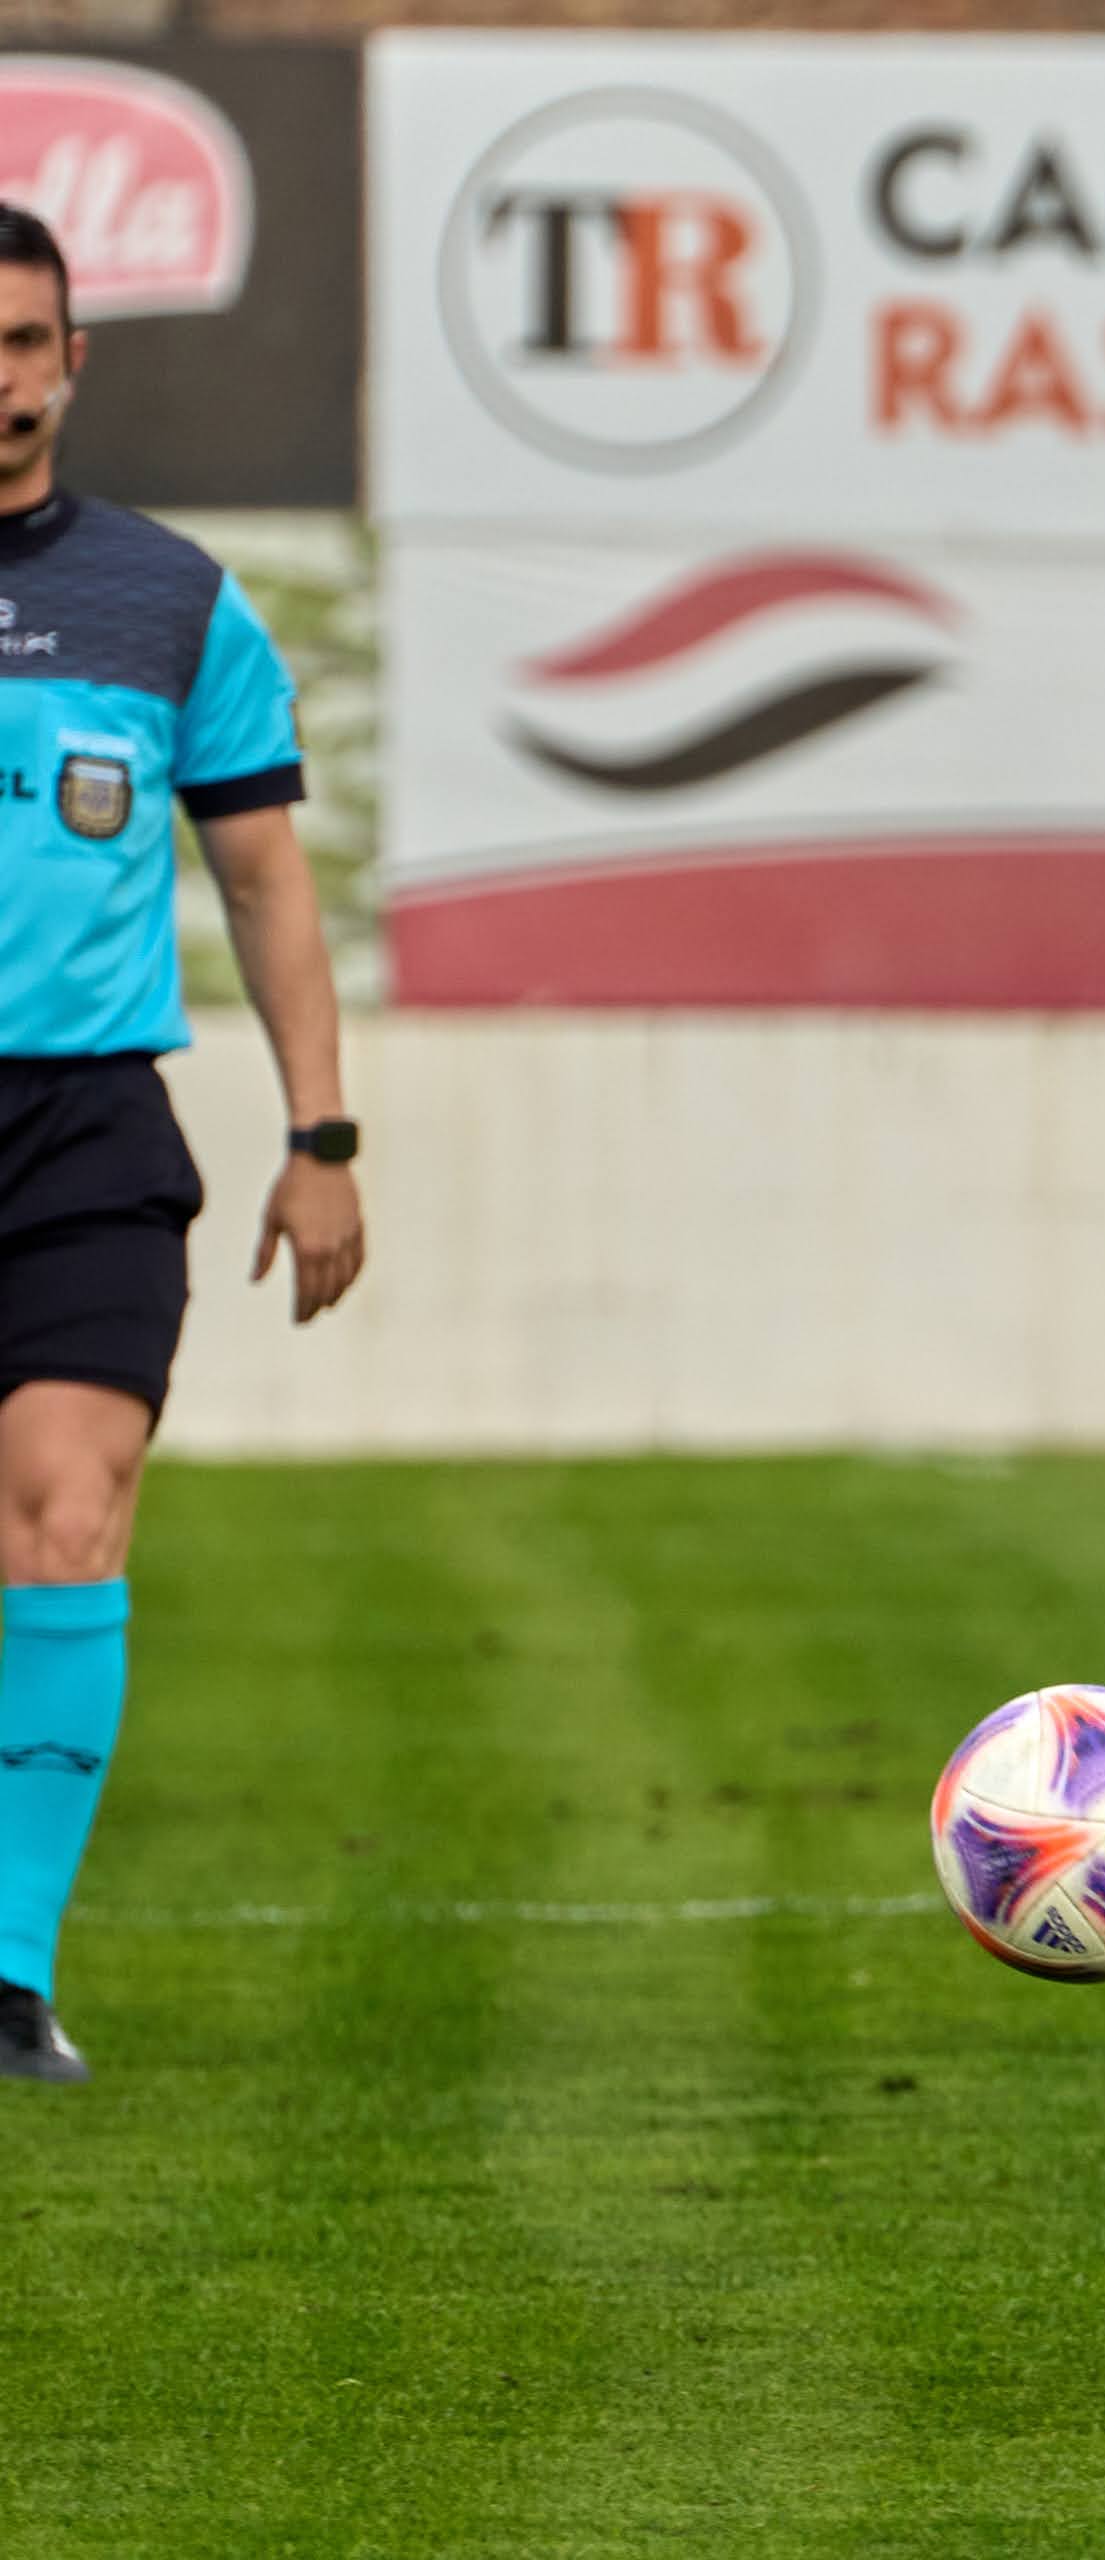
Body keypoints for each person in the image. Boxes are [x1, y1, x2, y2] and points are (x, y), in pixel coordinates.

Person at [0, 205, 364, 2086]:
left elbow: (263, 878)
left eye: (22, 339)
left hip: (82, 1125)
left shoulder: (173, 600)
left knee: (68, 1511)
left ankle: (7, 1977)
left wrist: (322, 1131)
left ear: (72, 361)